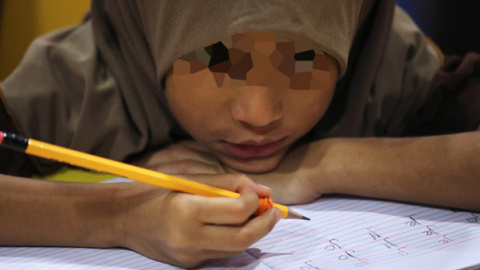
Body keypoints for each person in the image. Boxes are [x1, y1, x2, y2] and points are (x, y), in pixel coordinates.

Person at [1, 0, 479, 268]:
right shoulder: (82, 79)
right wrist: (120, 216)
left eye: (306, 60)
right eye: (216, 60)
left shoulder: (386, 63)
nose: (259, 113)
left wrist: (323, 163)